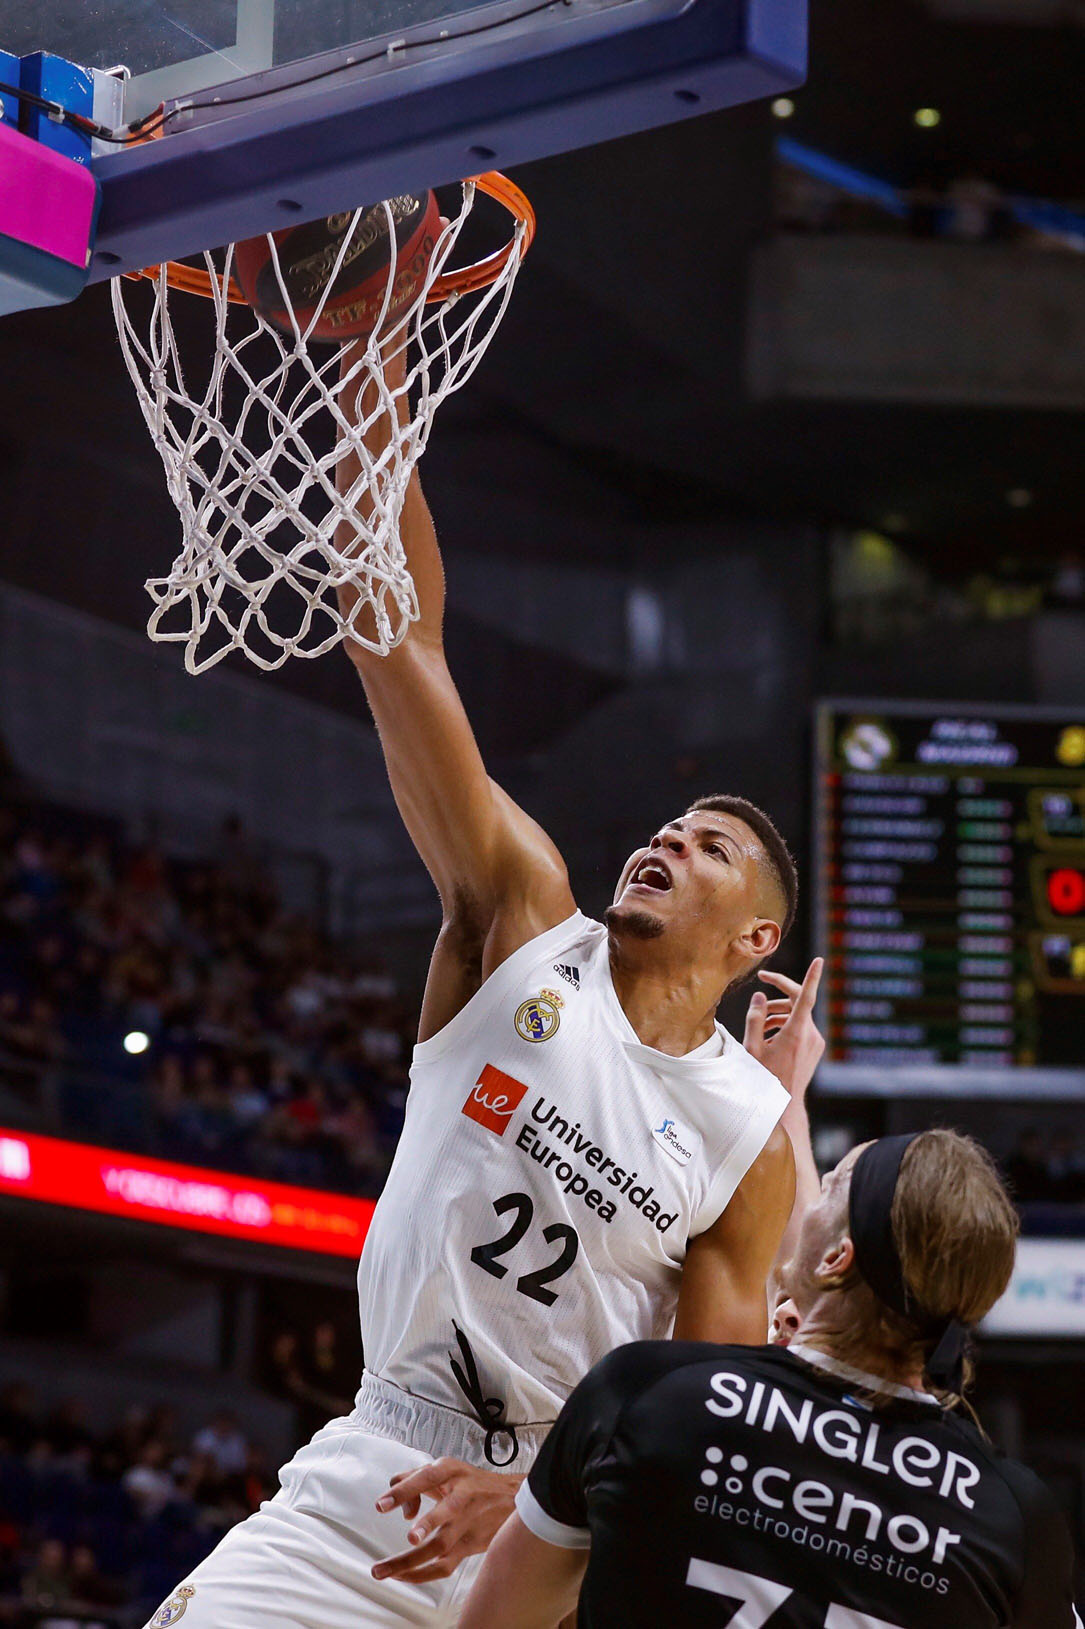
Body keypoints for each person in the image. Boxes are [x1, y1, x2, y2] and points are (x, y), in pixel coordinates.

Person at [142, 336, 824, 1629]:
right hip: (366, 1479)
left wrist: (527, 1488)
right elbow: (395, 631)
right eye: (670, 825)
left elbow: (708, 1417)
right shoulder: (524, 922)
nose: (669, 839)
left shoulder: (741, 1132)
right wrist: (369, 376)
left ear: (754, 943)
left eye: (711, 846)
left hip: (547, 1543)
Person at [459, 1129, 1081, 1629]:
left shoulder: (648, 1394)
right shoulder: (1012, 1519)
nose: (809, 1206)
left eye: (830, 1188)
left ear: (838, 1259)